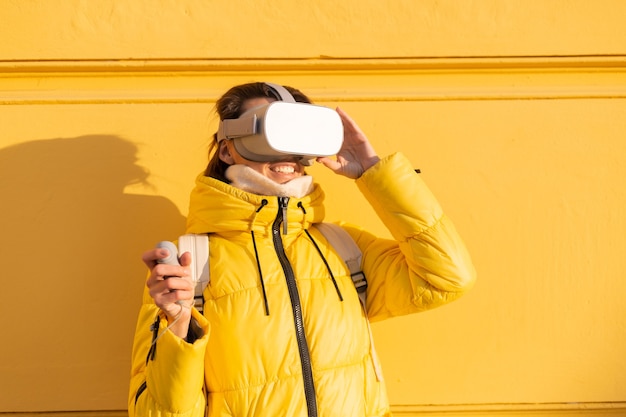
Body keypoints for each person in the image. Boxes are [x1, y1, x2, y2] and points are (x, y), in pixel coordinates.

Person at [129, 82, 476, 417]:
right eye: (270, 133)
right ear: (227, 148)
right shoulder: (190, 268)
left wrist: (373, 172)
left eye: (298, 137)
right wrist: (178, 326)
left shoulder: (344, 248)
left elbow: (448, 277)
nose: (288, 153)